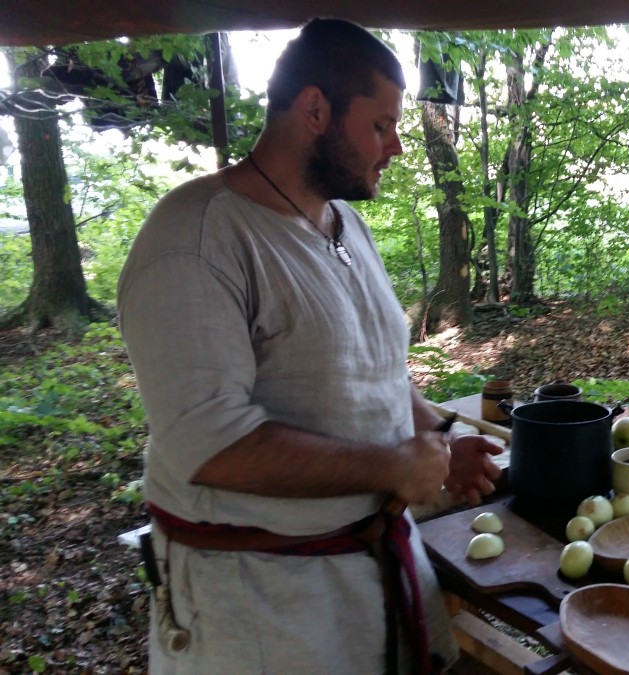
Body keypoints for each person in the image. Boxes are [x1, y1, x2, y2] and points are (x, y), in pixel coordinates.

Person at [117, 18, 502, 675]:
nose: (397, 145)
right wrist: (391, 466)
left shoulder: (345, 223)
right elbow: (209, 444)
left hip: (372, 574)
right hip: (260, 611)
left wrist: (438, 436)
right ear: (316, 110)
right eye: (381, 124)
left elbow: (375, 371)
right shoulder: (196, 239)